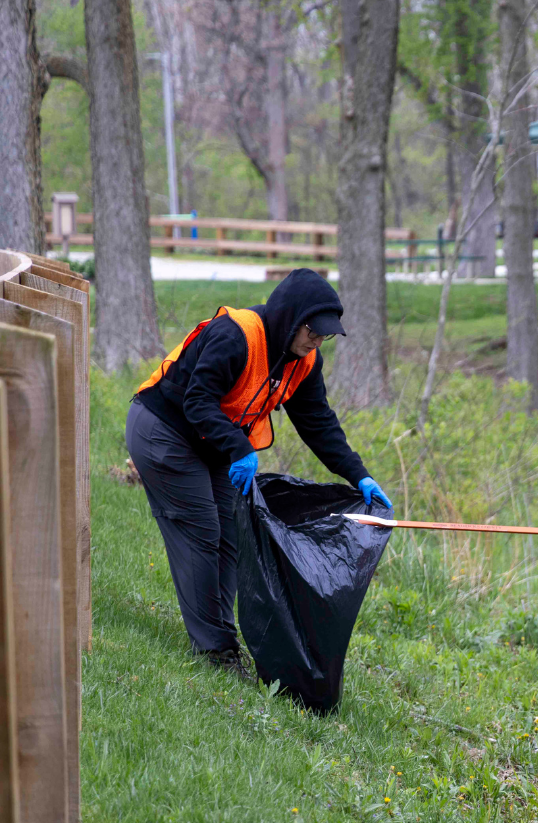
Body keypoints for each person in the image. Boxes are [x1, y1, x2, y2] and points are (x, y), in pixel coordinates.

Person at [126, 268, 392, 677]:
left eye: (324, 336)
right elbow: (198, 401)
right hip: (164, 430)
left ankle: (220, 638)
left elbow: (318, 423)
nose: (317, 341)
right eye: (312, 331)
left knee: (232, 534)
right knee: (202, 531)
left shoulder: (303, 360)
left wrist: (359, 476)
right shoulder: (237, 335)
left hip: (211, 443)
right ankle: (214, 651)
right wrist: (238, 448)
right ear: (291, 317)